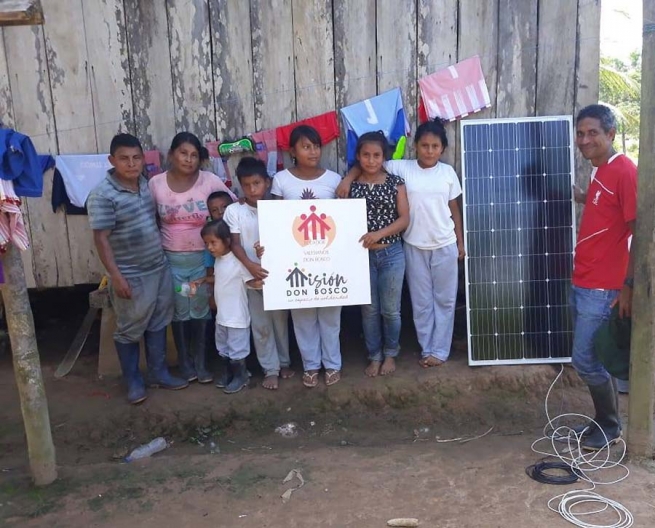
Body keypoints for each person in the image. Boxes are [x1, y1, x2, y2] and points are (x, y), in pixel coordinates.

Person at [337, 118, 465, 368]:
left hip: (445, 244)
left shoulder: (447, 173)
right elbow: (369, 163)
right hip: (414, 246)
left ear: (443, 149)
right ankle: (426, 347)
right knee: (421, 302)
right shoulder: (402, 168)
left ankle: (440, 351)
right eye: (425, 145)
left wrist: (460, 241)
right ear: (416, 146)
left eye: (435, 146)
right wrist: (348, 179)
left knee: (446, 300)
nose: (429, 151)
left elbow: (455, 209)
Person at [87, 133, 188, 404]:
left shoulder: (144, 184)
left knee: (158, 321)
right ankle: (132, 380)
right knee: (129, 328)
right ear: (112, 161)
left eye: (136, 158)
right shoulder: (103, 195)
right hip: (131, 273)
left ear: (143, 159)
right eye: (124, 159)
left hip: (158, 267)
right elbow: (101, 238)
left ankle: (159, 373)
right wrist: (116, 277)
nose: (131, 164)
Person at [569, 104, 636, 451]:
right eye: (580, 133)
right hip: (583, 279)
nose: (584, 140)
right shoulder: (600, 171)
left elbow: (639, 230)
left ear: (610, 134)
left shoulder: (624, 171)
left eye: (593, 132)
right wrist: (582, 197)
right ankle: (605, 419)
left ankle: (610, 424)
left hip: (602, 286)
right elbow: (606, 212)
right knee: (596, 357)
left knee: (584, 358)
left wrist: (628, 287)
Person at [149, 132, 235, 385]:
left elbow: (229, 212)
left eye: (194, 155)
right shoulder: (156, 184)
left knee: (200, 309)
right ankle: (185, 363)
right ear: (172, 154)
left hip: (203, 259)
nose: (188, 159)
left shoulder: (209, 182)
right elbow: (150, 218)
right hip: (171, 260)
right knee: (178, 309)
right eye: (183, 153)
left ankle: (201, 362)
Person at [271, 125, 343, 388]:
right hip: (295, 259)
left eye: (316, 146)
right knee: (302, 314)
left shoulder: (334, 180)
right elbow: (276, 222)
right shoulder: (281, 180)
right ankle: (311, 365)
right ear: (293, 151)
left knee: (330, 315)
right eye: (305, 146)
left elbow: (343, 223)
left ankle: (333, 364)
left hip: (328, 257)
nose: (312, 151)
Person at [224, 157, 292, 390]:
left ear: (267, 182)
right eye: (247, 185)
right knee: (261, 325)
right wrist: (251, 266)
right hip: (251, 278)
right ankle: (269, 368)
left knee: (280, 322)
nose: (253, 190)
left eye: (257, 183)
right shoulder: (235, 211)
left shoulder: (278, 209)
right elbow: (234, 243)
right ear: (240, 186)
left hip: (278, 277)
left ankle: (284, 362)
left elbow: (288, 240)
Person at [347, 132, 409, 377]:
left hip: (391, 253)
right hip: (361, 257)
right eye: (366, 155)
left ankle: (391, 353)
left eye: (376, 155)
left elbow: (404, 218)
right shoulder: (350, 185)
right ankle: (374, 355)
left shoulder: (396, 182)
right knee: (369, 310)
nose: (371, 160)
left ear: (384, 157)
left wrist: (379, 234)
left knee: (391, 310)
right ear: (358, 156)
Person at [201, 220, 262, 394]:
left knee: (237, 349)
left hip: (236, 317)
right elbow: (221, 278)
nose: (210, 248)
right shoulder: (219, 261)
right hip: (222, 317)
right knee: (223, 347)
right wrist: (203, 280)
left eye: (213, 242)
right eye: (206, 244)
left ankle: (241, 376)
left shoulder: (238, 263)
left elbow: (253, 281)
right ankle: (229, 373)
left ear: (227, 241)